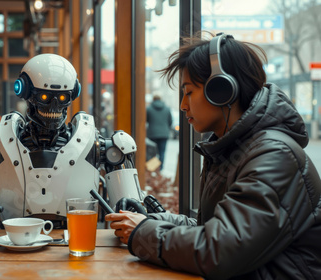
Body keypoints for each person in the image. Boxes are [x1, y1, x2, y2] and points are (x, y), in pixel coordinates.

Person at [105, 33, 321, 279]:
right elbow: (211, 229)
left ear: (221, 90)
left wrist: (143, 232)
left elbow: (220, 250)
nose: (183, 105)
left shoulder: (274, 155)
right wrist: (151, 220)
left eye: (188, 92)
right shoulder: (234, 147)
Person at [0, 54, 144, 237]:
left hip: (74, 240)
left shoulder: (104, 145)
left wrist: (143, 214)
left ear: (72, 95)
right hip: (12, 240)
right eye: (44, 97)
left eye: (62, 98)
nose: (54, 106)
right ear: (25, 92)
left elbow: (132, 212)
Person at [146, 95, 172, 170]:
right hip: (164, 134)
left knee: (152, 152)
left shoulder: (149, 109)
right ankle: (160, 168)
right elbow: (170, 121)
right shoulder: (167, 109)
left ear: (153, 99)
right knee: (162, 152)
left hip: (152, 134)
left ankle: (153, 168)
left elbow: (146, 120)